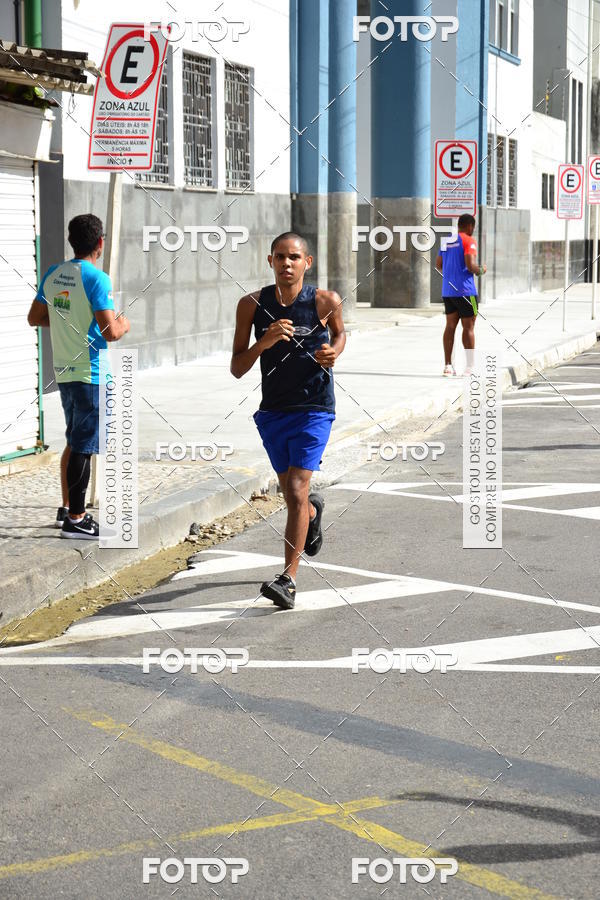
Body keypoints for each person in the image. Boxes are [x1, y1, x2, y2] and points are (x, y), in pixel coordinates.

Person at [231, 232, 346, 610]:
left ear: (306, 262)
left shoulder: (325, 301)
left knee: (295, 488)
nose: (287, 263)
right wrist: (263, 343)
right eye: (280, 257)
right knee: (293, 495)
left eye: (294, 257)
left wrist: (333, 352)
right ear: (270, 261)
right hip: (274, 411)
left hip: (315, 408)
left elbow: (341, 334)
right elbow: (237, 367)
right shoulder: (250, 305)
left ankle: (288, 580)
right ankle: (313, 513)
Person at [27, 214, 130, 539]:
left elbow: (36, 317)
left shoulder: (55, 273)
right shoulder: (97, 279)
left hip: (65, 371)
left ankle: (67, 507)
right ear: (100, 243)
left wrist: (65, 323)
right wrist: (124, 322)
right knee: (84, 446)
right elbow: (110, 331)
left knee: (74, 441)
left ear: (73, 241)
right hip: (91, 374)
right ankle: (76, 517)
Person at [435, 213, 487, 377]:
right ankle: (470, 367)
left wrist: (452, 274)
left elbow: (438, 265)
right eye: (473, 227)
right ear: (470, 226)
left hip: (448, 291)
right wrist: (481, 270)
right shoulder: (469, 240)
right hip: (466, 292)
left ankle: (448, 366)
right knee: (469, 327)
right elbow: (471, 265)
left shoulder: (446, 241)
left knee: (450, 327)